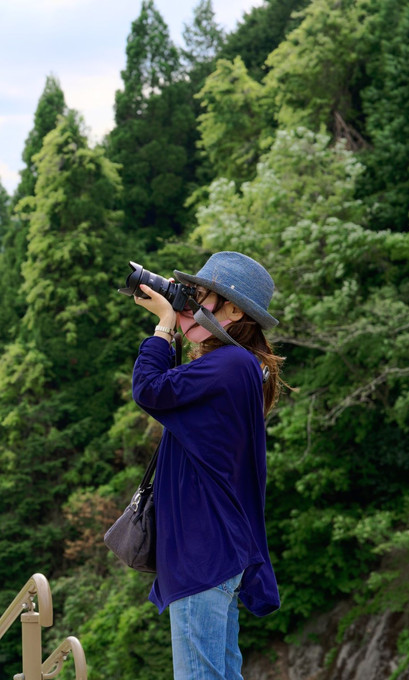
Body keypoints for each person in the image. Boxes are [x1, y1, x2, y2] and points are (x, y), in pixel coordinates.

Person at [129, 251, 285, 680]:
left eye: (202, 297)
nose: (189, 304)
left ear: (235, 311)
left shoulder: (231, 364)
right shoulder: (235, 367)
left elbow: (149, 389)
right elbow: (166, 393)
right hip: (213, 553)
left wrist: (163, 325)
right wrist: (174, 328)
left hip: (204, 554)